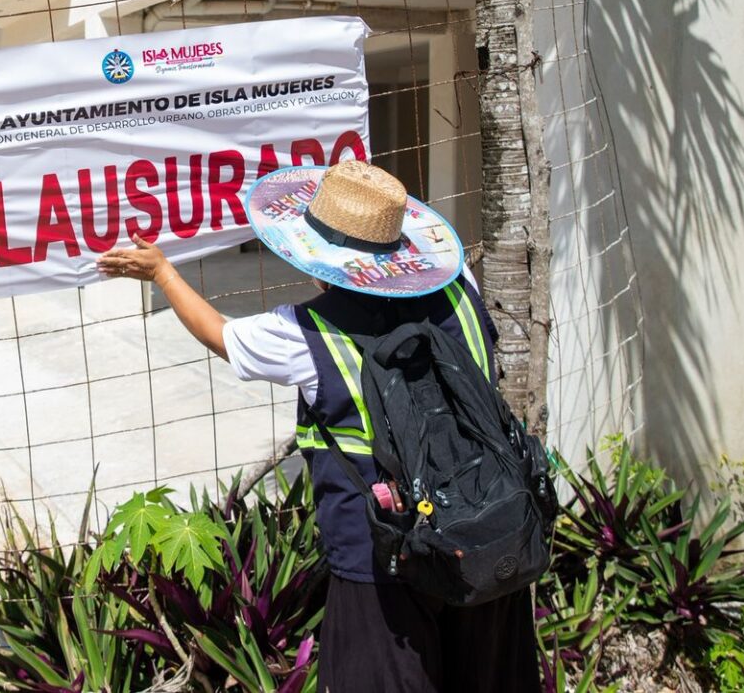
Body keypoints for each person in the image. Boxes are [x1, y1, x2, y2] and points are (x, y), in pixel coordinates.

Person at [97, 158, 540, 693]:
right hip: (487, 530)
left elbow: (222, 336)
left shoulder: (305, 335)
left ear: (317, 257)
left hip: (381, 558)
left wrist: (164, 274)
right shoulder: (461, 288)